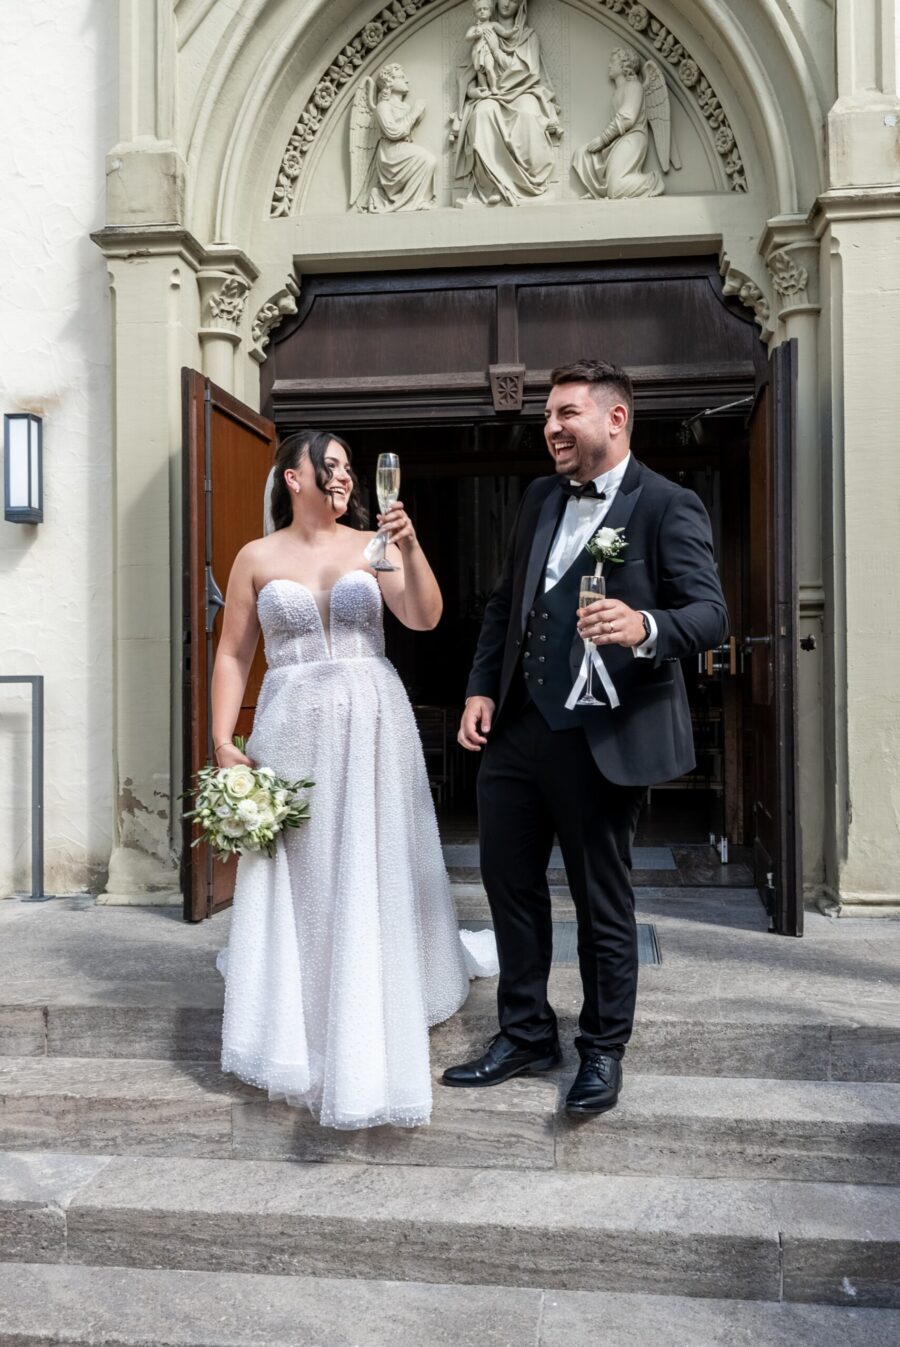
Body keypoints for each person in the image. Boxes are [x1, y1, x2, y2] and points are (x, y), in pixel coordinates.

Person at [442, 360, 729, 1114]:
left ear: (615, 418)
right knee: (509, 884)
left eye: (566, 412)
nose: (551, 427)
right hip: (517, 730)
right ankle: (527, 1031)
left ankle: (602, 1049)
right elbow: (508, 604)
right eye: (547, 416)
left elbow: (710, 614)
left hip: (602, 735)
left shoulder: (668, 505)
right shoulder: (540, 496)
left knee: (603, 902)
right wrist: (479, 685)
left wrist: (646, 626)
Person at [213, 429, 495, 1130]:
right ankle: (300, 1013)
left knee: (372, 858)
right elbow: (232, 655)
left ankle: (375, 998)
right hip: (291, 725)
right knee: (306, 872)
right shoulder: (256, 556)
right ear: (292, 477)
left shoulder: (373, 543)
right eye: (330, 465)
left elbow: (421, 617)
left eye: (348, 467)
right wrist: (222, 739)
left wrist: (409, 545)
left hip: (372, 721)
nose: (343, 477)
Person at [452, 0, 562, 206]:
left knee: (528, 114)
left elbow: (530, 72)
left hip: (523, 91)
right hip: (492, 94)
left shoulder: (529, 37)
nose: (507, 3)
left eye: (514, 0)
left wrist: (495, 50)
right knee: (481, 113)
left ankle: (530, 186)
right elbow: (468, 75)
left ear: (521, 5)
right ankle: (491, 186)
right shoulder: (482, 32)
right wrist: (474, 91)